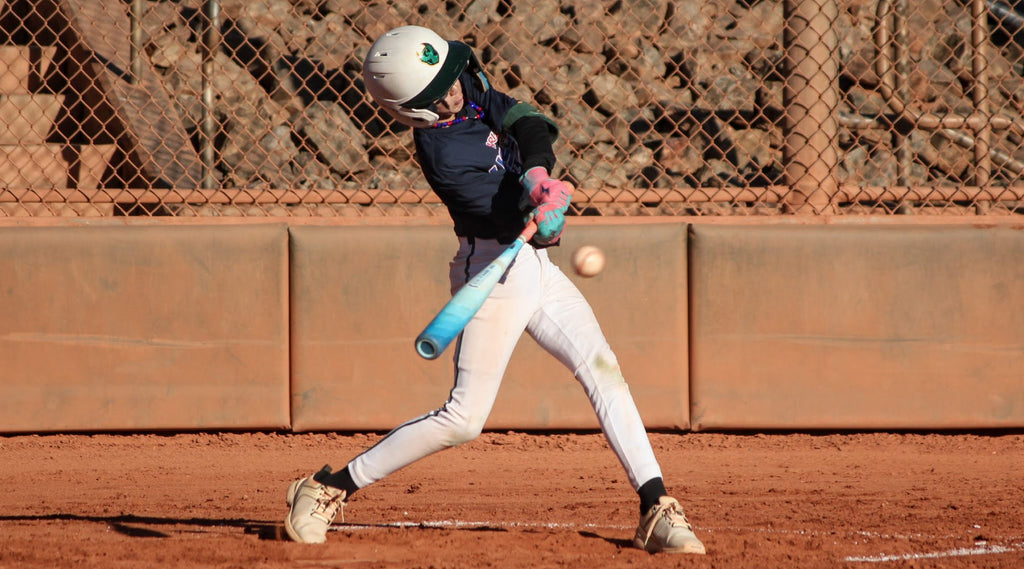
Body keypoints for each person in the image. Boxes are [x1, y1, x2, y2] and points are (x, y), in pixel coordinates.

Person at [283, 25, 706, 555]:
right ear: (416, 111)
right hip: (495, 269)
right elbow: (506, 216)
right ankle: (326, 488)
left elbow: (526, 120)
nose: (456, 90)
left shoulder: (471, 91)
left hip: (532, 266)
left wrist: (537, 176)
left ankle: (656, 506)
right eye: (441, 91)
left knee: (603, 369)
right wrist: (540, 211)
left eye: (452, 77)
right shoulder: (444, 154)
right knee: (463, 419)